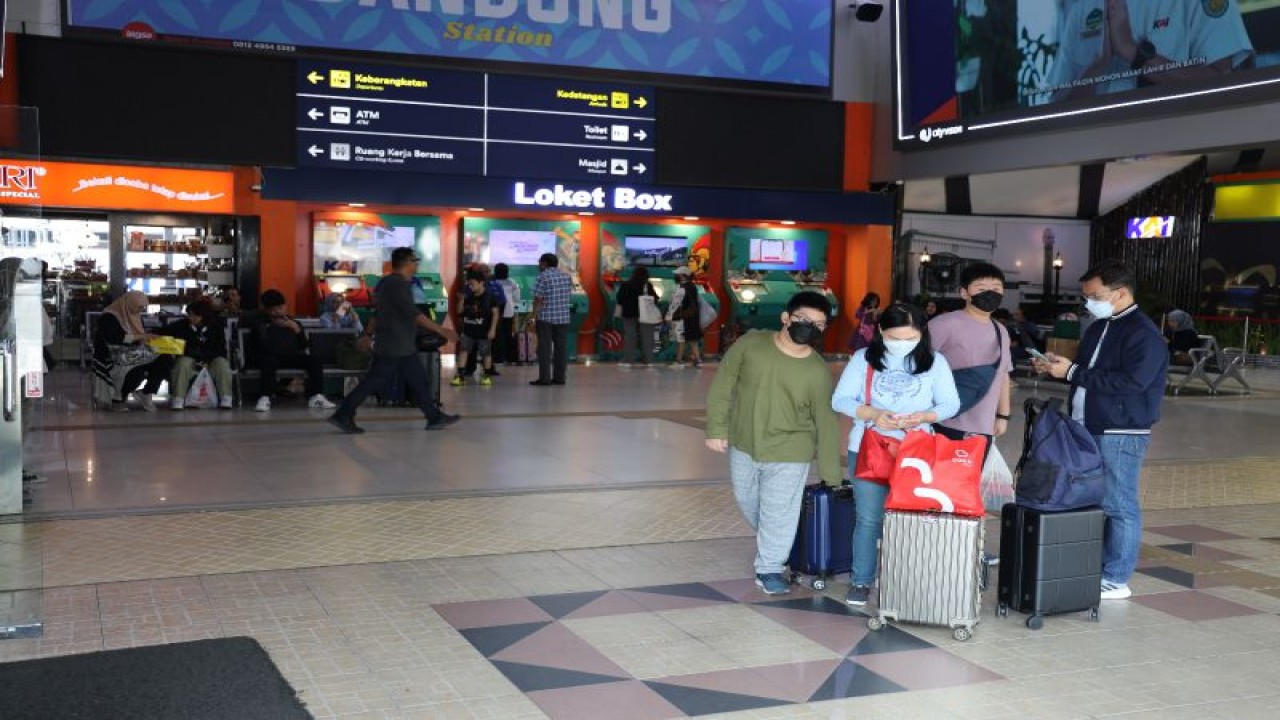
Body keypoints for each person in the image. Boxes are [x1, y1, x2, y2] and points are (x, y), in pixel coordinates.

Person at [1034, 260, 1168, 601]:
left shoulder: (1143, 333)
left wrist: (1072, 372)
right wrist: (1057, 368)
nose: (1087, 303)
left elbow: (1132, 382)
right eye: (1085, 297)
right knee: (1090, 497)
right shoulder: (1098, 327)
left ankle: (1117, 576)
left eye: (1093, 295)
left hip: (1120, 431)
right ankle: (1096, 565)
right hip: (1085, 424)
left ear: (1120, 293)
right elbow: (1085, 370)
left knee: (1119, 502)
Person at [704, 291, 842, 596]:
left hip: (792, 449)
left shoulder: (817, 370)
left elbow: (826, 421)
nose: (810, 327)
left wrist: (831, 472)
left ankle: (770, 567)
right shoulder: (750, 345)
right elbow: (723, 386)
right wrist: (716, 429)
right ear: (785, 318)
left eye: (819, 324)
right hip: (745, 441)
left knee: (778, 510)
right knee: (748, 500)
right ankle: (779, 540)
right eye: (803, 320)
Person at [832, 303, 960, 606]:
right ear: (880, 332)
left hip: (916, 452)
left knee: (912, 519)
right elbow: (839, 400)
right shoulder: (864, 359)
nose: (901, 344)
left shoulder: (935, 362)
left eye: (909, 338)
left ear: (921, 334)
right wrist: (874, 414)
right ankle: (861, 580)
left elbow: (950, 404)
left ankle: (909, 580)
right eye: (894, 338)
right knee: (869, 518)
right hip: (867, 450)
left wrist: (925, 417)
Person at [328, 247, 461, 434]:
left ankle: (434, 416)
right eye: (414, 261)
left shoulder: (386, 283)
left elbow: (377, 313)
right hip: (396, 345)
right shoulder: (398, 284)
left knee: (417, 381)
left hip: (396, 343)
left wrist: (368, 334)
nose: (416, 264)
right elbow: (412, 313)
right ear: (406, 262)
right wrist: (442, 330)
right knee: (374, 382)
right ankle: (343, 414)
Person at [1046, 0, 1254, 102]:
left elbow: (1220, 81)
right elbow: (1055, 103)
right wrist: (1096, 68)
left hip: (1180, 156)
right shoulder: (1082, 8)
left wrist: (1134, 53)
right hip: (1100, 163)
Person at [927, 263, 1012, 455]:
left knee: (969, 483)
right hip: (944, 420)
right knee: (939, 482)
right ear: (964, 293)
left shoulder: (1001, 331)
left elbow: (1003, 374)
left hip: (984, 425)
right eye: (981, 288)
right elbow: (918, 366)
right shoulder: (943, 324)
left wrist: (1003, 416)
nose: (990, 293)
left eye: (996, 289)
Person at [246, 289, 335, 412]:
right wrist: (270, 324)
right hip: (269, 357)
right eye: (274, 309)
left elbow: (303, 345)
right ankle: (265, 397)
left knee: (314, 360)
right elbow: (259, 345)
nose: (279, 311)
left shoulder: (294, 323)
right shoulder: (260, 323)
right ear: (267, 310)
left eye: (281, 307)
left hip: (289, 357)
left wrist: (296, 329)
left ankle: (316, 396)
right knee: (269, 361)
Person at [91, 291, 172, 412]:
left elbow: (139, 336)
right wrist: (142, 337)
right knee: (136, 372)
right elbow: (116, 338)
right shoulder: (109, 317)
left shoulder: (134, 315)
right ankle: (118, 399)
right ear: (129, 303)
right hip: (113, 356)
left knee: (165, 359)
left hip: (134, 353)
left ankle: (147, 392)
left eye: (142, 307)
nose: (140, 310)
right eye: (139, 306)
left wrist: (149, 340)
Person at [158, 299, 234, 410]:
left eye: (195, 316)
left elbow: (220, 350)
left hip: (211, 361)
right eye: (189, 315)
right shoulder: (181, 326)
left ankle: (226, 398)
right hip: (189, 360)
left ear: (204, 316)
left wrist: (206, 359)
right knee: (183, 362)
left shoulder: (216, 328)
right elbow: (162, 331)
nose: (190, 318)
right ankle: (178, 398)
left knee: (222, 364)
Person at [529, 252, 573, 386]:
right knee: (561, 349)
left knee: (544, 349)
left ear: (545, 263)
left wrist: (533, 316)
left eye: (540, 263)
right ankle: (560, 378)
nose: (538, 265)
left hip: (546, 318)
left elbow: (538, 298)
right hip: (563, 318)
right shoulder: (566, 276)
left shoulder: (543, 276)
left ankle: (545, 379)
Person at [452, 270, 499, 387]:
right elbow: (459, 312)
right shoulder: (469, 297)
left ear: (481, 283)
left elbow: (495, 313)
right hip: (468, 330)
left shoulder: (489, 297)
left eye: (472, 284)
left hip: (484, 331)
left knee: (486, 353)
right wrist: (461, 300)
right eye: (469, 284)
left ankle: (487, 375)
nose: (470, 286)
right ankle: (460, 376)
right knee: (463, 351)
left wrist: (492, 329)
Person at [614, 266, 659, 368]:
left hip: (629, 314)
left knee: (630, 336)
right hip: (645, 315)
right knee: (647, 337)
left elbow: (619, 299)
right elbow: (655, 299)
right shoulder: (647, 286)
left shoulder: (626, 285)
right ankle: (649, 360)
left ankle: (629, 360)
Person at [665, 266, 703, 368]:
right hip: (693, 316)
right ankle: (698, 360)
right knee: (692, 339)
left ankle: (678, 361)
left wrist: (668, 316)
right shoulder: (692, 286)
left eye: (677, 274)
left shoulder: (682, 289)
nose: (675, 276)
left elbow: (674, 304)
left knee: (680, 339)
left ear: (683, 276)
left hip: (683, 318)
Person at [492, 263, 520, 365]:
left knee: (496, 336)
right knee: (508, 334)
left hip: (495, 312)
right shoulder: (512, 283)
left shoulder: (492, 282)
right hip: (509, 311)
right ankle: (510, 358)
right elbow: (517, 298)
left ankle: (497, 357)